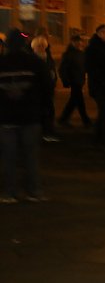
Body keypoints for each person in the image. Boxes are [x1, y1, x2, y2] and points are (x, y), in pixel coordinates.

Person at [0, 29, 53, 203]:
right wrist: (43, 110)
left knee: (9, 157)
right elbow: (47, 88)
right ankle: (34, 191)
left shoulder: (1, 63)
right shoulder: (35, 63)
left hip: (6, 118)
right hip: (30, 117)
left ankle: (9, 193)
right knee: (31, 156)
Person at [58, 35, 91, 128]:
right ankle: (86, 120)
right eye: (76, 41)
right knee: (79, 101)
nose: (79, 43)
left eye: (80, 41)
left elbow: (84, 67)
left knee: (74, 101)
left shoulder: (81, 53)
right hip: (74, 81)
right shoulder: (68, 54)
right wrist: (65, 80)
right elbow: (62, 69)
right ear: (72, 42)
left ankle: (63, 119)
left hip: (79, 80)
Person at [30, 35, 59, 142]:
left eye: (43, 45)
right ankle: (43, 133)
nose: (41, 48)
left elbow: (53, 71)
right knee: (41, 112)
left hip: (49, 89)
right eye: (38, 46)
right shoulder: (31, 60)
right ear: (34, 47)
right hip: (37, 90)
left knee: (50, 111)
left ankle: (49, 131)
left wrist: (53, 81)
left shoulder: (48, 58)